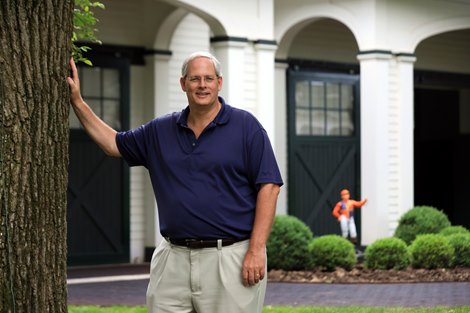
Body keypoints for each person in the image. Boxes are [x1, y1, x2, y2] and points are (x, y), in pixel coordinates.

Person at [67, 51, 283, 313]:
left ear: (219, 83)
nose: (202, 85)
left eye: (208, 78)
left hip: (230, 258)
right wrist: (77, 102)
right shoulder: (160, 131)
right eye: (194, 79)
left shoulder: (246, 126)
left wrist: (257, 250)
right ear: (183, 84)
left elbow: (269, 186)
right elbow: (113, 143)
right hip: (172, 258)